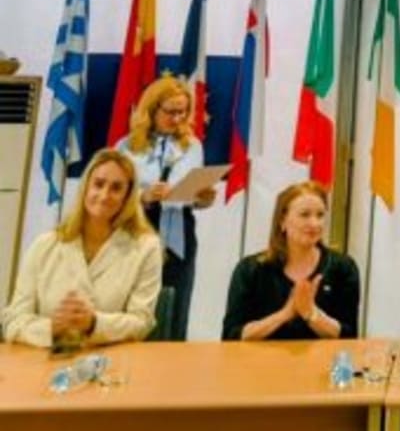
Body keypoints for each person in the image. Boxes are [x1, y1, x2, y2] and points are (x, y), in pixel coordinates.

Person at [2, 149, 162, 348]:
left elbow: (142, 322)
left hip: (112, 363)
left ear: (127, 197)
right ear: (85, 187)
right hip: (46, 359)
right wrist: (51, 327)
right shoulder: (45, 245)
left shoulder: (146, 247)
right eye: (99, 184)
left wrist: (93, 323)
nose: (104, 196)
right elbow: (12, 321)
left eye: (116, 188)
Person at [115, 76, 215, 340]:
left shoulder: (192, 146)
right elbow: (113, 191)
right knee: (133, 301)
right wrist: (143, 195)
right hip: (137, 225)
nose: (177, 119)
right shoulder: (126, 146)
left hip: (178, 230)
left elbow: (194, 193)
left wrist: (202, 196)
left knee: (176, 302)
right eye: (170, 111)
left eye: (183, 112)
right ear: (151, 110)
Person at [222, 181, 359, 340]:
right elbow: (231, 336)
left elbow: (349, 336)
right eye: (304, 215)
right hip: (261, 363)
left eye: (320, 215)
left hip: (321, 363)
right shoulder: (250, 270)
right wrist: (285, 314)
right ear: (282, 221)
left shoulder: (343, 268)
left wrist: (312, 314)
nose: (314, 223)